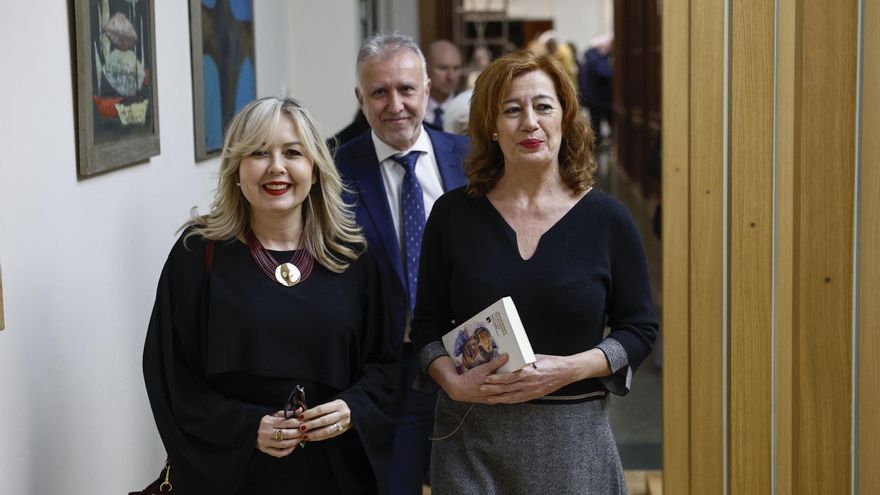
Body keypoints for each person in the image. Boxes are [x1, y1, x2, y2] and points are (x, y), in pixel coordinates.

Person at [411, 51, 659, 493]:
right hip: (471, 441)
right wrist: (449, 379)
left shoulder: (608, 220)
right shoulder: (451, 216)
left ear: (565, 117)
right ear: (491, 126)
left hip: (575, 445)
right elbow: (427, 325)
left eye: (543, 106)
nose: (530, 123)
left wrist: (569, 369)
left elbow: (638, 330)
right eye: (511, 110)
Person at [143, 97, 399, 494]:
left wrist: (354, 409)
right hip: (232, 475)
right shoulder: (198, 254)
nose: (276, 167)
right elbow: (170, 376)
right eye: (259, 153)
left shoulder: (352, 257)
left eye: (292, 153)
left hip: (332, 476)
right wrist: (248, 427)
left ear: (315, 169)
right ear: (236, 169)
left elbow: (385, 365)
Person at [335, 33, 469, 494]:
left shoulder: (471, 161)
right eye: (379, 92)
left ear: (427, 90)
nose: (395, 105)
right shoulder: (333, 172)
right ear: (360, 98)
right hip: (387, 372)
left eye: (406, 89)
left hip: (470, 359)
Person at [579, 34, 614, 147]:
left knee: (596, 124)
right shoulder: (594, 58)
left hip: (595, 99)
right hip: (599, 100)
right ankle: (596, 147)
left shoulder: (589, 57)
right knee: (598, 125)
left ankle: (596, 146)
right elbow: (605, 73)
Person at [424, 39, 463, 131]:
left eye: (456, 68)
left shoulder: (468, 110)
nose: (450, 77)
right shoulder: (412, 109)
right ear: (426, 67)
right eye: (443, 68)